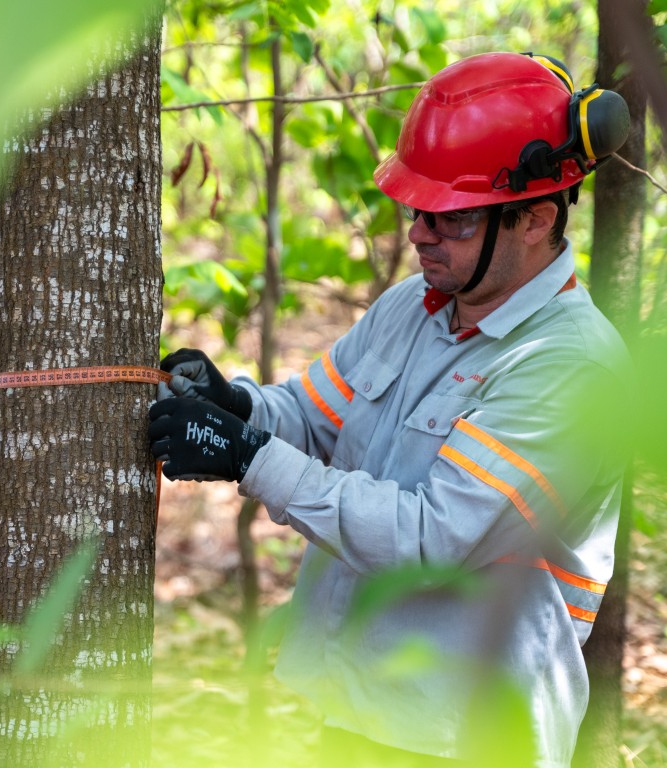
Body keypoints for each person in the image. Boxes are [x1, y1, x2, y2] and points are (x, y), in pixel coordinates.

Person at [149, 51, 635, 768]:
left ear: (534, 219)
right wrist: (240, 407)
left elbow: (432, 540)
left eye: (452, 220)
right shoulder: (416, 306)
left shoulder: (569, 367)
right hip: (360, 709)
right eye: (416, 211)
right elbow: (315, 417)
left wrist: (246, 456)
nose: (419, 235)